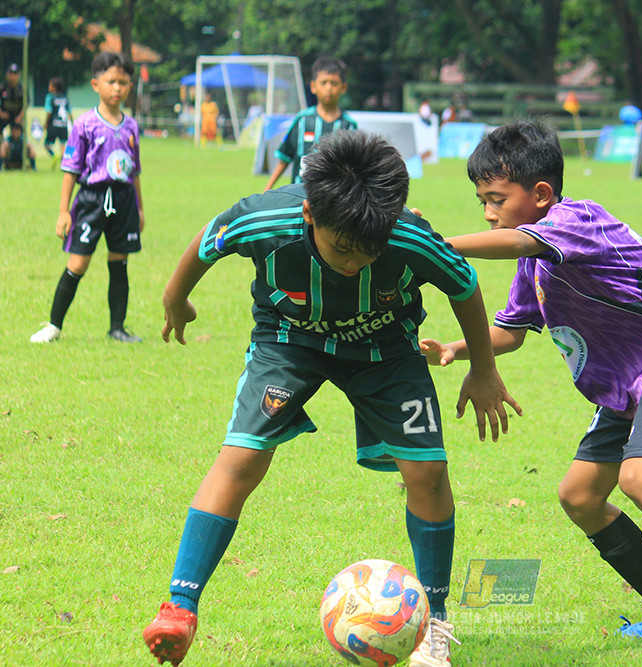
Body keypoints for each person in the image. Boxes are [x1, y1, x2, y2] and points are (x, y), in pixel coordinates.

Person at [141, 130, 521, 667]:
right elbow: (207, 241)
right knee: (242, 457)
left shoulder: (409, 236)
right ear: (310, 213)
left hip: (386, 347)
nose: (354, 263)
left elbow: (464, 285)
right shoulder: (264, 219)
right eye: (343, 247)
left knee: (428, 473)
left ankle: (433, 627)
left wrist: (483, 371)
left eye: (369, 251)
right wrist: (175, 298)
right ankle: (179, 607)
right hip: (289, 341)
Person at [420, 121, 642, 667]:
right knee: (580, 496)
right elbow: (513, 331)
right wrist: (457, 348)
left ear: (540, 195)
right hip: (628, 384)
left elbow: (516, 238)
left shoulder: (578, 219)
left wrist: (435, 246)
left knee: (640, 479)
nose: (489, 213)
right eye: (482, 202)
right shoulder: (532, 258)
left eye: (496, 199)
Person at [30, 52, 144, 344]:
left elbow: (135, 171)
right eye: (111, 81)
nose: (117, 88)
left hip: (124, 199)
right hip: (92, 200)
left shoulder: (131, 126)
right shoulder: (84, 124)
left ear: (130, 86)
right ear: (96, 84)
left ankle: (117, 327)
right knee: (78, 264)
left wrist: (140, 208)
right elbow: (70, 170)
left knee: (119, 262)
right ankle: (54, 326)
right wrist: (63, 211)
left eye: (123, 82)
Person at [264, 56, 357, 190]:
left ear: (343, 87)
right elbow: (285, 158)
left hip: (332, 197)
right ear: (313, 86)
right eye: (324, 82)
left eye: (334, 83)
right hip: (299, 194)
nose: (329, 88)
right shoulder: (302, 120)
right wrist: (267, 189)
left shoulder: (348, 125)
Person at [44, 77, 74, 169]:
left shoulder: (50, 97)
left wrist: (46, 123)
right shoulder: (65, 98)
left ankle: (54, 155)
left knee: (47, 144)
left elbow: (49, 112)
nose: (49, 87)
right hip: (63, 125)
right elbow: (69, 112)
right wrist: (73, 124)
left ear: (54, 87)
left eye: (50, 85)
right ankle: (64, 163)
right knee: (63, 144)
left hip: (53, 124)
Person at [0, 63, 25, 137]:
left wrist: (19, 117)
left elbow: (26, 105)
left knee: (18, 135)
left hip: (16, 117)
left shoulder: (21, 89)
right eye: (11, 74)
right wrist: (1, 113)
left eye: (15, 74)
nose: (12, 77)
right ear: (7, 75)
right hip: (5, 116)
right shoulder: (3, 87)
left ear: (18, 75)